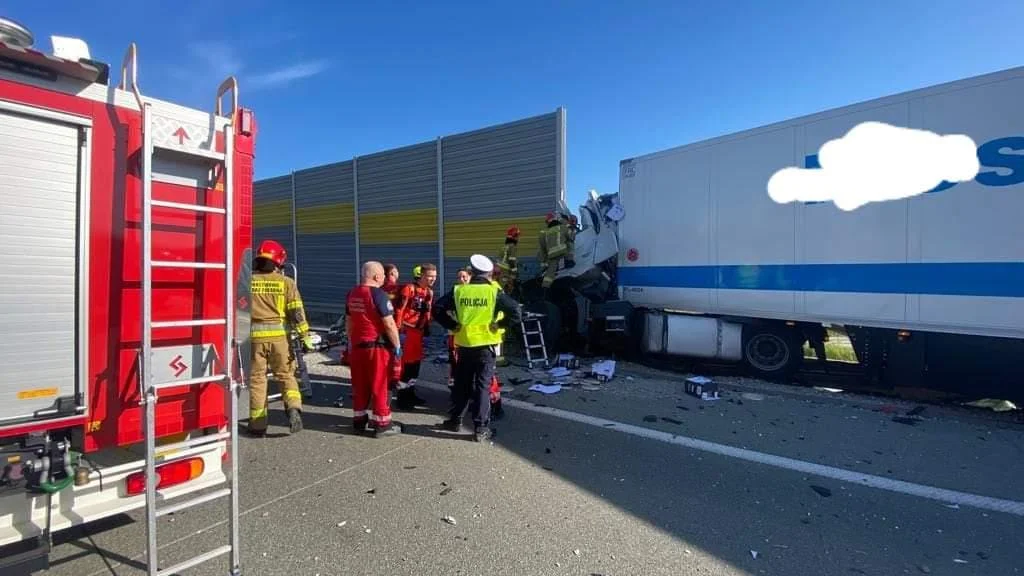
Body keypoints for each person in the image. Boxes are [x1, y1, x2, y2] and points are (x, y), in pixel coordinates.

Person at [433, 254, 522, 442]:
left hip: (464, 345)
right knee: (482, 386)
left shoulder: (459, 291)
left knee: (461, 385)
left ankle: (455, 420)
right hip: (485, 347)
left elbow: (437, 309)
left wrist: (452, 325)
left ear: (471, 272)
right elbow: (515, 311)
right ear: (488, 273)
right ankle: (481, 428)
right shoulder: (493, 292)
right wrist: (500, 325)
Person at [246, 239, 313, 438]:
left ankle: (258, 425)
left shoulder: (247, 281)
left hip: (254, 339)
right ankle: (293, 409)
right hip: (280, 340)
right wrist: (305, 335)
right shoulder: (286, 283)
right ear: (278, 262)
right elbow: (297, 312)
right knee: (286, 376)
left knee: (257, 380)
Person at [345, 261, 403, 437]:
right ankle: (382, 423)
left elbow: (349, 321)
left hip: (357, 347)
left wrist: (350, 342)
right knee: (379, 384)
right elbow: (389, 324)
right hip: (376, 348)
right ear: (377, 276)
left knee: (360, 384)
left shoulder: (352, 294)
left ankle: (359, 420)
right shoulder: (378, 295)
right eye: (383, 276)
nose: (384, 278)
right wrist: (397, 345)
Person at [393, 263, 437, 409]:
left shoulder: (429, 292)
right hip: (408, 331)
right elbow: (400, 309)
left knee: (415, 365)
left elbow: (428, 311)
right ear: (422, 275)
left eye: (434, 277)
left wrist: (428, 326)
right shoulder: (409, 289)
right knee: (407, 366)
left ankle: (411, 393)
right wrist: (398, 329)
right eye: (430, 276)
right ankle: (402, 397)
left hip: (419, 332)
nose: (432, 279)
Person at [538, 212, 575, 296]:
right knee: (570, 243)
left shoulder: (544, 232)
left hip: (552, 255)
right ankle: (569, 261)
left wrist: (544, 265)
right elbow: (572, 237)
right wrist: (571, 227)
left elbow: (542, 250)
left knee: (550, 272)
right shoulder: (562, 227)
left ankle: (545, 288)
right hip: (563, 253)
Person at [495, 226, 520, 296]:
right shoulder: (512, 247)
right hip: (506, 272)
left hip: (498, 271)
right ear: (514, 237)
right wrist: (514, 273)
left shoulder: (503, 247)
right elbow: (512, 261)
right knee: (507, 290)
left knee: (498, 288)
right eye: (517, 236)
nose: (518, 238)